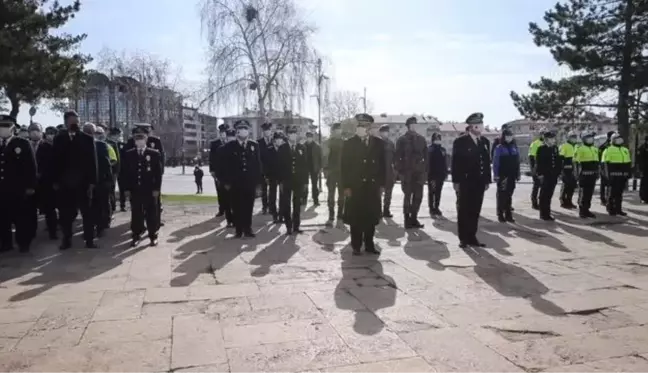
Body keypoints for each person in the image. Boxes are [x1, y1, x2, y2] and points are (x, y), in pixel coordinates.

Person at [48, 111, 98, 250]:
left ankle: (89, 240)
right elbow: (54, 161)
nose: (75, 123)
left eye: (77, 120)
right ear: (66, 122)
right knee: (65, 215)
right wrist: (55, 181)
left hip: (83, 184)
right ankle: (67, 240)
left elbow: (92, 162)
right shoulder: (59, 139)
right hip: (65, 185)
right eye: (72, 121)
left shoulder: (86, 139)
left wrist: (92, 183)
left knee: (87, 214)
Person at [341, 114, 386, 255]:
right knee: (356, 218)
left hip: (372, 187)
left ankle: (369, 244)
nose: (362, 128)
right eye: (359, 125)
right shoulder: (349, 143)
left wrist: (382, 184)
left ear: (369, 127)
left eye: (365, 125)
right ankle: (356, 245)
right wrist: (346, 187)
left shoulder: (378, 143)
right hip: (355, 187)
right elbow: (344, 167)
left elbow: (383, 166)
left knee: (371, 217)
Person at [452, 112, 491, 248]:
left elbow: (486, 162)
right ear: (473, 126)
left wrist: (487, 180)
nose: (481, 127)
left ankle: (472, 236)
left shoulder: (485, 142)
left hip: (479, 182)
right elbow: (455, 163)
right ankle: (463, 238)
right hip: (465, 182)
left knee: (475, 209)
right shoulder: (460, 141)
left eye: (481, 124)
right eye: (479, 125)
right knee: (464, 209)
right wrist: (456, 182)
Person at [0, 115, 38, 253]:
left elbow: (31, 166)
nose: (3, 129)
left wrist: (31, 186)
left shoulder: (22, 143)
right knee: (3, 219)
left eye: (6, 125)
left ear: (13, 128)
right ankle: (6, 243)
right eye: (1, 125)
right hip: (2, 190)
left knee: (21, 218)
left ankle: (24, 243)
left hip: (19, 189)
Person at [121, 126, 162, 246]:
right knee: (136, 213)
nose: (139, 140)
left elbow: (157, 174)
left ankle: (152, 235)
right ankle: (136, 235)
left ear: (146, 139)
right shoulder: (129, 154)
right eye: (137, 138)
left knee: (151, 213)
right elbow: (125, 173)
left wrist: (156, 189)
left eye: (142, 138)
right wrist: (127, 189)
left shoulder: (154, 153)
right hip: (135, 189)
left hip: (149, 189)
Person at [220, 120, 262, 238]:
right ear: (237, 131)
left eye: (245, 128)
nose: (243, 131)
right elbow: (224, 166)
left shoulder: (254, 145)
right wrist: (226, 182)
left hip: (250, 183)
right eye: (241, 129)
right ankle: (238, 230)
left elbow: (258, 165)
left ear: (248, 131)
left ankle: (248, 229)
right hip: (235, 183)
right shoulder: (229, 146)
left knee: (249, 206)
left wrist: (259, 183)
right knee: (236, 207)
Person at [395, 116, 428, 229]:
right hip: (407, 173)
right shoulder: (402, 140)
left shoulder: (421, 139)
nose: (414, 127)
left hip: (418, 173)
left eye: (415, 125)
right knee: (407, 197)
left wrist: (425, 172)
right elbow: (397, 158)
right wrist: (400, 173)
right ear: (408, 126)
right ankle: (407, 219)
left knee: (418, 197)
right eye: (412, 125)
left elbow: (426, 157)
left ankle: (414, 218)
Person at [85, 124, 115, 237]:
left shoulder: (102, 145)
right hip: (86, 182)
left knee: (101, 205)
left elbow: (107, 164)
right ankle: (89, 230)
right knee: (89, 208)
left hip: (101, 181)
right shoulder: (80, 145)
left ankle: (100, 228)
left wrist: (108, 180)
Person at [277, 126, 308, 234]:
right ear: (287, 135)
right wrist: (280, 181)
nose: (293, 135)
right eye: (291, 133)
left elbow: (305, 166)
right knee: (286, 204)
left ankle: (296, 226)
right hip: (286, 180)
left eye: (294, 133)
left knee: (297, 204)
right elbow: (279, 166)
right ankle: (288, 226)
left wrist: (305, 182)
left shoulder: (302, 147)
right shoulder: (282, 148)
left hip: (298, 181)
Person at [492, 129, 520, 222]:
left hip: (512, 174)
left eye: (511, 136)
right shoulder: (499, 147)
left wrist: (518, 174)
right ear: (503, 137)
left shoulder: (514, 147)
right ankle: (500, 214)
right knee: (501, 195)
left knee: (509, 195)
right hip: (502, 175)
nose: (509, 138)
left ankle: (508, 214)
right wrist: (496, 175)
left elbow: (517, 162)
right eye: (507, 136)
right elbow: (496, 162)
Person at [601, 132, 631, 216]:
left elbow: (628, 162)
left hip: (622, 175)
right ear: (613, 140)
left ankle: (618, 209)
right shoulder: (608, 150)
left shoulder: (625, 150)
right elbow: (604, 164)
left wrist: (628, 174)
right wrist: (607, 176)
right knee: (612, 193)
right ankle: (610, 209)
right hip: (612, 175)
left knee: (619, 193)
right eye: (617, 139)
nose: (619, 140)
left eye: (620, 138)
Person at [37, 126, 59, 239]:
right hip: (46, 183)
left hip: (60, 182)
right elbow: (39, 164)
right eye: (49, 133)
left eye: (53, 133)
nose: (51, 135)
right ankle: (52, 231)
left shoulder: (60, 147)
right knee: (50, 209)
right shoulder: (42, 147)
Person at [536, 131, 561, 221]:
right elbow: (539, 163)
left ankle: (548, 213)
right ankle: (543, 214)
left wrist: (558, 173)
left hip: (553, 175)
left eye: (553, 138)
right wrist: (540, 174)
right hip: (545, 175)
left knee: (549, 195)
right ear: (546, 139)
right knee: (544, 195)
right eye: (551, 138)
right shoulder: (541, 149)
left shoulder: (555, 148)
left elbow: (557, 161)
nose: (553, 140)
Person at [574, 131, 599, 218]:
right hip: (584, 175)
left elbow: (597, 162)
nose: (590, 139)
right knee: (583, 193)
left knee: (590, 193)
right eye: (588, 138)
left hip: (593, 175)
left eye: (591, 137)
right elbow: (576, 163)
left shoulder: (595, 149)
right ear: (584, 139)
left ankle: (587, 210)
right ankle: (582, 211)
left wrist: (597, 173)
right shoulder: (580, 149)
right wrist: (577, 175)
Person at [325, 122, 345, 226]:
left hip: (342, 173)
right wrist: (326, 171)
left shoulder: (345, 143)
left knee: (342, 195)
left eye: (339, 129)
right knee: (331, 195)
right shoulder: (328, 143)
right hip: (332, 173)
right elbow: (325, 158)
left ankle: (340, 215)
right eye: (336, 129)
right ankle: (331, 215)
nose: (338, 131)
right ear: (333, 131)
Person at [217, 129, 237, 227]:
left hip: (237, 181)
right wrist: (222, 181)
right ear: (227, 138)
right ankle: (229, 220)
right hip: (226, 181)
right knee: (227, 203)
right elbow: (219, 167)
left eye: (233, 137)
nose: (231, 139)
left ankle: (236, 220)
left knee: (237, 202)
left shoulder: (239, 148)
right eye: (230, 137)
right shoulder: (221, 149)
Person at [209, 124, 228, 217]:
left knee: (230, 191)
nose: (222, 134)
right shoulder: (214, 143)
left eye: (224, 132)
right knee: (220, 191)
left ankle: (230, 209)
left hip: (229, 172)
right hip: (218, 172)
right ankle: (222, 209)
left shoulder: (231, 142)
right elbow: (211, 158)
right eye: (221, 132)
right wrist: (212, 170)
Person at [427, 132, 448, 217]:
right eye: (436, 139)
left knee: (438, 192)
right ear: (433, 140)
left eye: (439, 139)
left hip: (441, 175)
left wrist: (445, 173)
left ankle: (437, 207)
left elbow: (445, 163)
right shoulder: (429, 149)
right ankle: (431, 208)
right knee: (432, 192)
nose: (438, 140)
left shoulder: (443, 150)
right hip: (432, 175)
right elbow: (428, 163)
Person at [379, 125, 396, 218]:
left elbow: (395, 158)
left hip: (389, 172)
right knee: (378, 194)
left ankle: (386, 210)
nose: (386, 133)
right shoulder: (376, 143)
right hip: (379, 172)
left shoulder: (391, 143)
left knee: (388, 193)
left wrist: (395, 172)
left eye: (387, 132)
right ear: (380, 133)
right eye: (384, 131)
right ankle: (378, 211)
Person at [258, 122, 274, 214]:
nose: (267, 132)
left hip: (273, 171)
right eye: (265, 130)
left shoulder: (274, 141)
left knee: (272, 190)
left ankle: (272, 207)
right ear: (263, 132)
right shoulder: (258, 142)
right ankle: (264, 206)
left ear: (270, 131)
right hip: (263, 170)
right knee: (264, 190)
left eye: (268, 130)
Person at [559, 131, 578, 209]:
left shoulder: (576, 146)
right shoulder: (564, 146)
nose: (574, 139)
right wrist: (561, 170)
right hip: (566, 168)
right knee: (566, 185)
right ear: (568, 138)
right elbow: (561, 159)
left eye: (575, 137)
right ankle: (563, 201)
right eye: (572, 137)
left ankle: (569, 201)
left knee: (572, 186)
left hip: (574, 168)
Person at [302, 131, 322, 206]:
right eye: (308, 137)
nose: (309, 139)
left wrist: (320, 168)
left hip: (314, 167)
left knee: (314, 184)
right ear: (306, 138)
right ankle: (304, 199)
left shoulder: (317, 146)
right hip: (305, 168)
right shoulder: (303, 146)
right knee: (305, 184)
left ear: (312, 138)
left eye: (310, 137)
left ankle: (315, 200)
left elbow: (320, 157)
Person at [106, 127, 123, 213]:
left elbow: (118, 159)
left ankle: (113, 206)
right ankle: (112, 206)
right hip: (111, 170)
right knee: (110, 189)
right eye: (118, 135)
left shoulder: (114, 143)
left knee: (112, 188)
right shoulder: (109, 143)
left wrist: (117, 170)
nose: (119, 136)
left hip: (114, 170)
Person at [599, 131, 615, 205]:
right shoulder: (604, 146)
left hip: (613, 166)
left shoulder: (614, 145)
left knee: (611, 184)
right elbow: (599, 157)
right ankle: (603, 199)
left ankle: (610, 198)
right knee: (603, 183)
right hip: (604, 166)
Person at [528, 132, 544, 210]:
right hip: (537, 168)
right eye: (542, 133)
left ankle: (542, 202)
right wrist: (534, 170)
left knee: (544, 187)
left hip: (545, 169)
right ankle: (534, 202)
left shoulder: (547, 143)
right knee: (537, 185)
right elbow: (531, 158)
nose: (544, 135)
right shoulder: (535, 144)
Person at [638, 136, 648, 203]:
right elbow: (640, 159)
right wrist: (641, 168)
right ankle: (643, 197)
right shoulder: (642, 148)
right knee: (644, 183)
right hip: (645, 169)